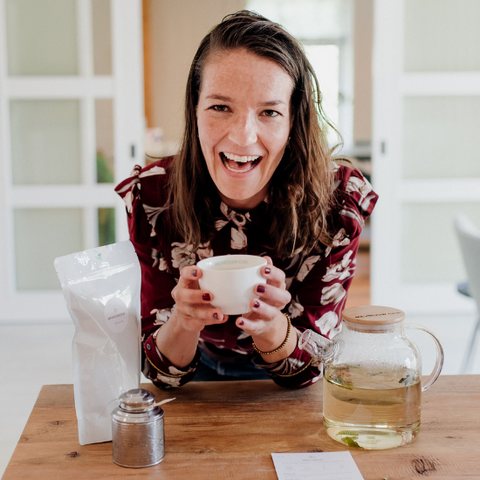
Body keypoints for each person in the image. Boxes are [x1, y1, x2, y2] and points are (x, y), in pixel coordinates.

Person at [115, 10, 378, 389]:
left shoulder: (337, 204)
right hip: (195, 372)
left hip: (284, 379)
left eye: (269, 112)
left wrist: (270, 326)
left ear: (293, 122)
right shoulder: (153, 197)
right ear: (195, 109)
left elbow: (311, 367)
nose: (242, 137)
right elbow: (159, 373)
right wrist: (184, 322)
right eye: (220, 107)